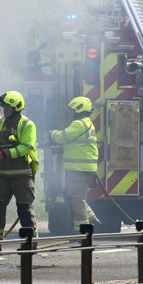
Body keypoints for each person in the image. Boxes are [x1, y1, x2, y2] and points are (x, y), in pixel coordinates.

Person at [0, 90, 40, 249]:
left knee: (24, 210)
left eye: (7, 108)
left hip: (22, 176)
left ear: (16, 108)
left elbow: (26, 147)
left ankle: (30, 244)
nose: (4, 111)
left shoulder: (27, 125)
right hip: (3, 176)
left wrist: (3, 153)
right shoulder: (0, 121)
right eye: (3, 108)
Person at [50, 96, 100, 233]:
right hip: (81, 169)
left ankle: (82, 232)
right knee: (75, 196)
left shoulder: (79, 124)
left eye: (72, 110)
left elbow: (63, 137)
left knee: (77, 200)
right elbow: (76, 144)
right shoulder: (87, 123)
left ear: (78, 110)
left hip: (79, 169)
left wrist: (52, 133)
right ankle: (91, 218)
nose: (70, 113)